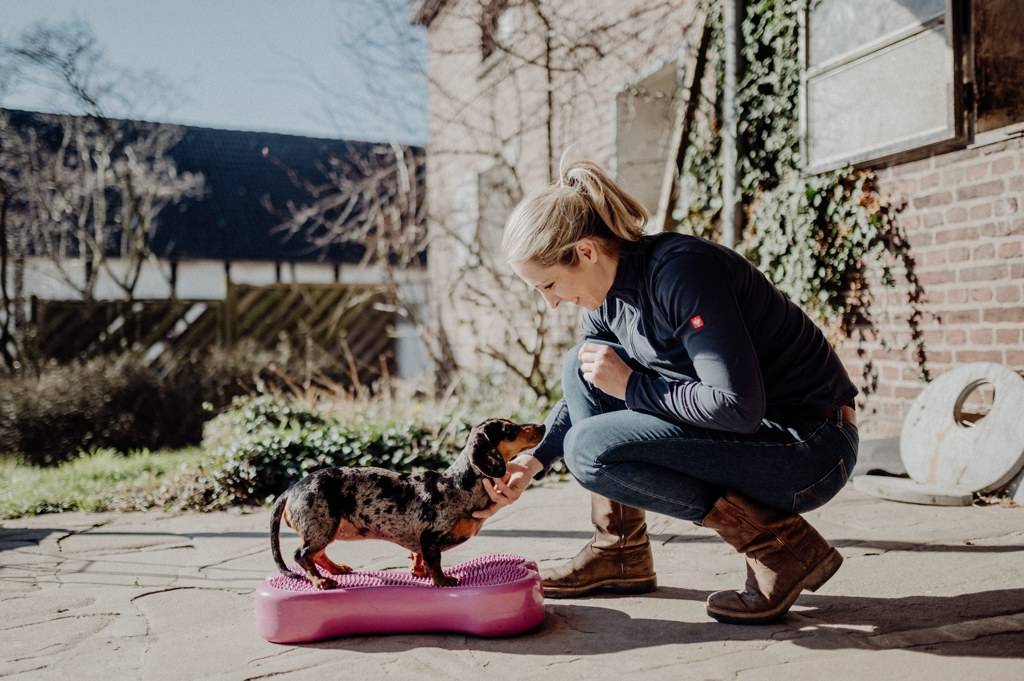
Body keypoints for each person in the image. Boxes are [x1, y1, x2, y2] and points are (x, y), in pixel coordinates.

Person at [472, 156, 860, 625]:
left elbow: (736, 408)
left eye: (550, 284)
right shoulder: (607, 296)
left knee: (590, 449)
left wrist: (633, 386)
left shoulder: (682, 274)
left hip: (810, 447)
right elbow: (592, 385)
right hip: (754, 437)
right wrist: (534, 461)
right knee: (580, 365)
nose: (552, 302)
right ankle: (621, 552)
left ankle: (779, 546)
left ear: (588, 251)